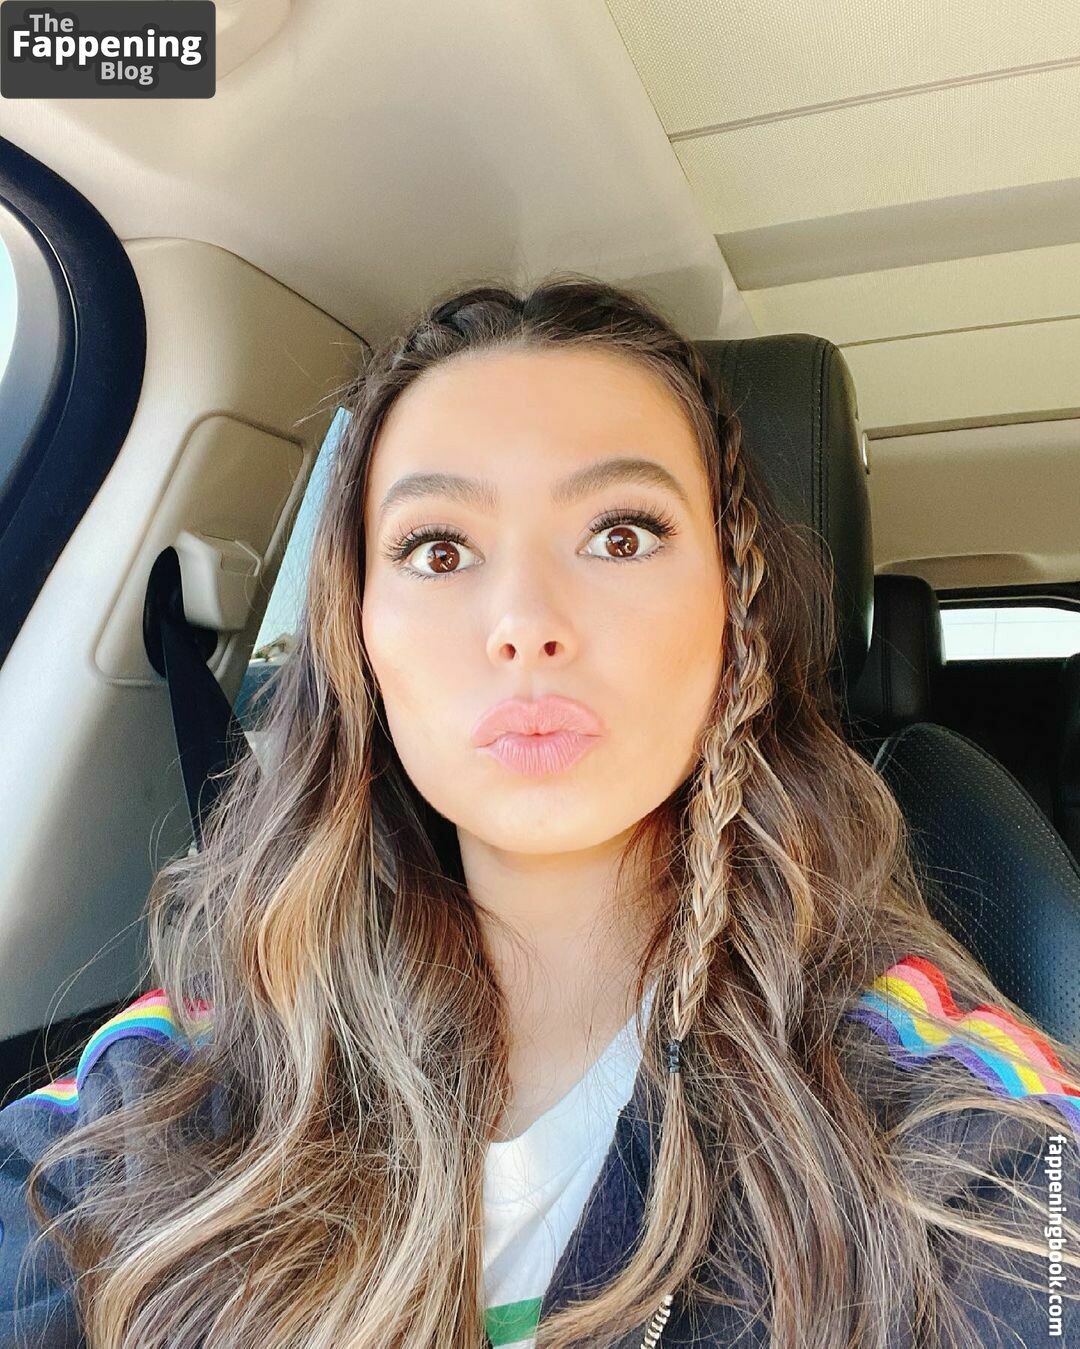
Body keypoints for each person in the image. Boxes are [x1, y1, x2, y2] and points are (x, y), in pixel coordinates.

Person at [0, 278, 1078, 1349]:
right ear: (357, 633)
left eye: (621, 535)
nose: (525, 622)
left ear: (734, 608)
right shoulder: (194, 1060)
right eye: (439, 549)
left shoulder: (945, 1129)